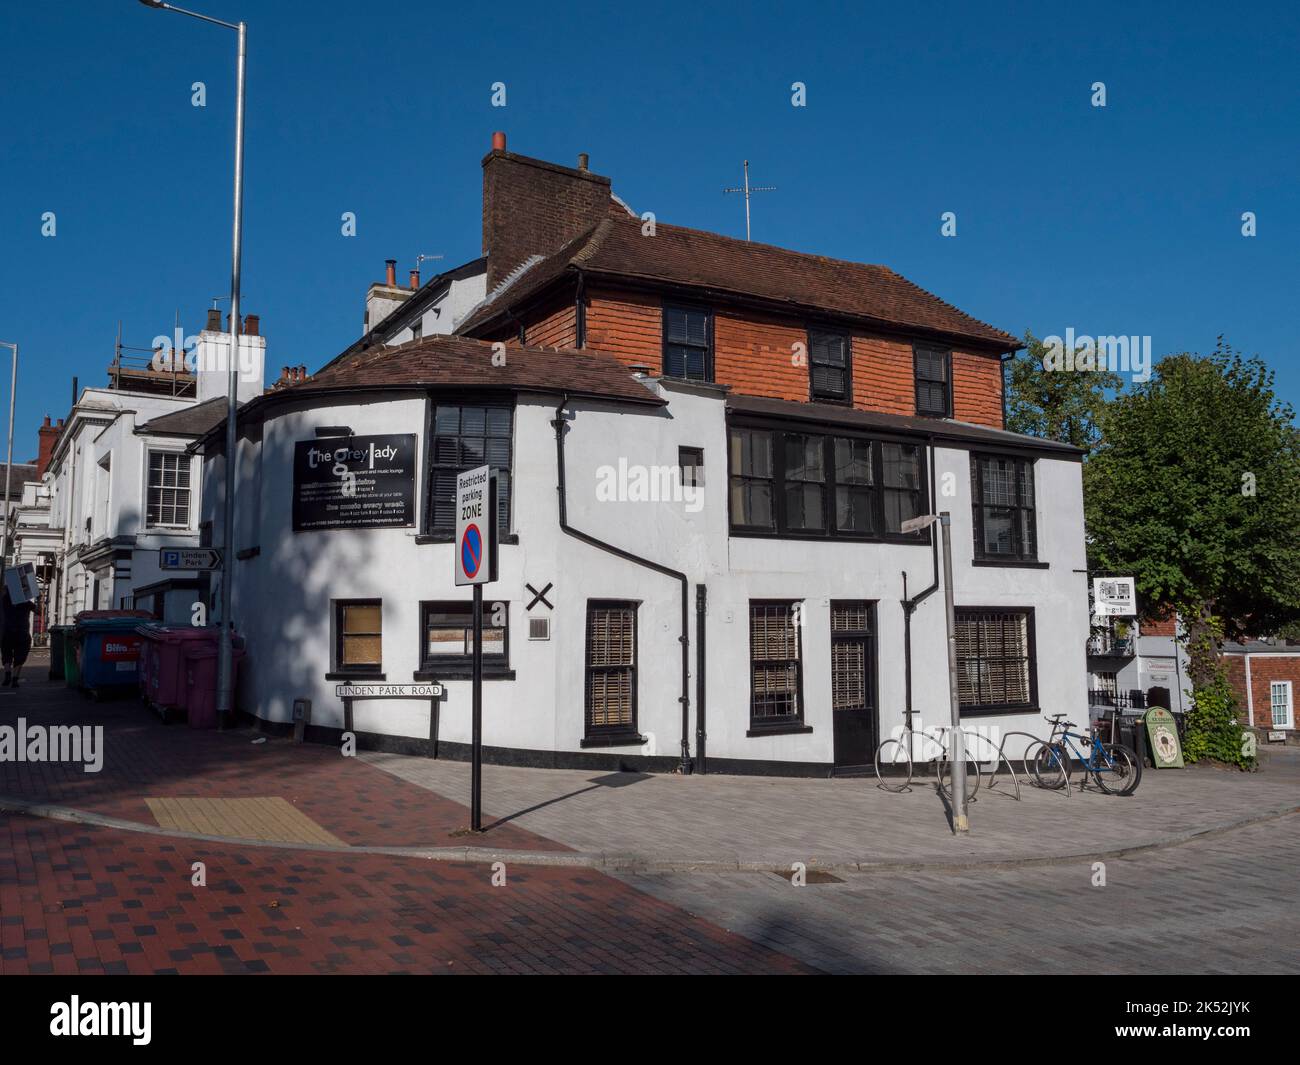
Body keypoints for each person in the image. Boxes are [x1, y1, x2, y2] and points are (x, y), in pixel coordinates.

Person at [1, 586, 35, 688]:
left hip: (8, 631)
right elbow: (38, 610)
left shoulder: (5, 600)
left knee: (6, 653)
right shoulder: (26, 602)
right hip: (22, 632)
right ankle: (15, 679)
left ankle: (7, 675)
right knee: (20, 656)